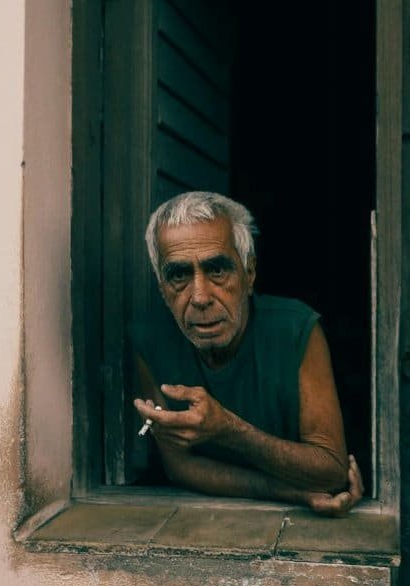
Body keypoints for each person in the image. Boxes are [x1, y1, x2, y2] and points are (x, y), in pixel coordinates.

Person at [130, 191, 362, 517]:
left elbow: (331, 470)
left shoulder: (295, 330)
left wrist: (229, 429)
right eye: (179, 275)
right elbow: (179, 467)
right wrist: (294, 492)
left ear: (249, 274)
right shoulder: (149, 340)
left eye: (217, 270)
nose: (200, 297)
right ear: (162, 289)